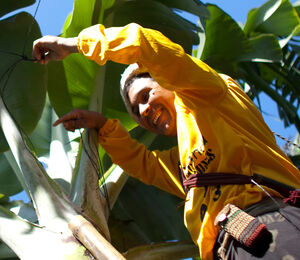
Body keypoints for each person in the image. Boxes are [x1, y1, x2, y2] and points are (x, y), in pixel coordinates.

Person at [33, 23, 300, 260]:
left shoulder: (209, 94)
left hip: (269, 226)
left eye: (146, 95)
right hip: (230, 247)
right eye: (137, 112)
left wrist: (73, 45)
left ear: (166, 80)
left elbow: (146, 46)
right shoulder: (184, 163)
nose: (144, 111)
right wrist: (102, 125)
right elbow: (142, 163)